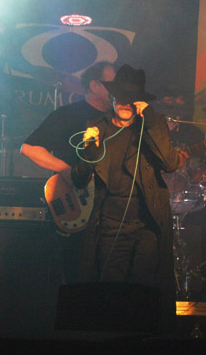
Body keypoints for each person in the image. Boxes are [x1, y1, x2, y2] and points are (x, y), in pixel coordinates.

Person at [71, 64, 186, 332]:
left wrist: (150, 121)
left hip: (147, 223)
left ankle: (143, 343)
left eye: (131, 99)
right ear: (112, 98)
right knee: (111, 292)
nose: (125, 103)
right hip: (111, 222)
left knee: (144, 291)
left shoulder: (152, 125)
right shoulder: (97, 128)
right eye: (121, 97)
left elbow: (170, 163)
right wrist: (89, 150)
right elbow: (79, 180)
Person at [20, 61, 116, 282]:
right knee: (77, 273)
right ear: (95, 85)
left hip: (109, 211)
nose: (117, 89)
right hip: (77, 203)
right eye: (111, 84)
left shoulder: (119, 120)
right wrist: (65, 170)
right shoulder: (68, 115)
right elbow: (29, 148)